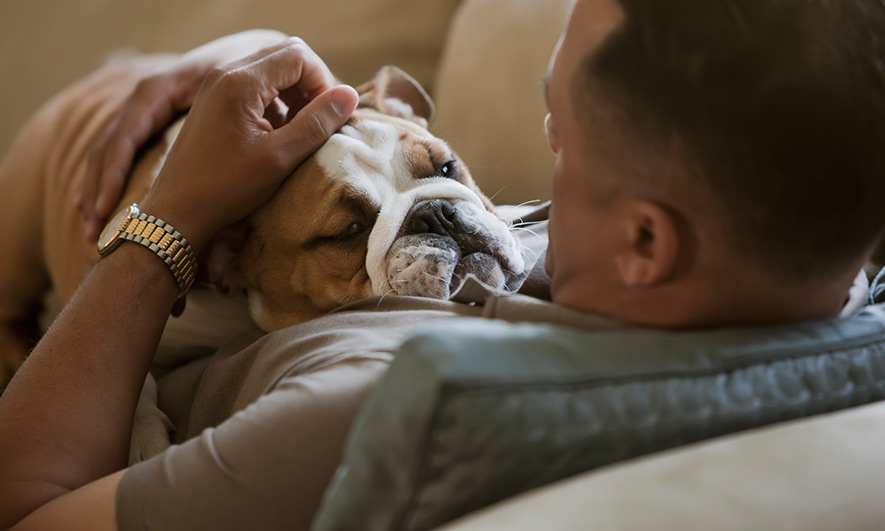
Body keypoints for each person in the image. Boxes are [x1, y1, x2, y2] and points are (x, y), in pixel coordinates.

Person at [1, 0, 884, 528]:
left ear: (644, 243)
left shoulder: (394, 404)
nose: (541, 151)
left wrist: (173, 218)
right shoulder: (814, 281)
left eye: (559, 130)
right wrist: (243, 53)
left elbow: (28, 510)